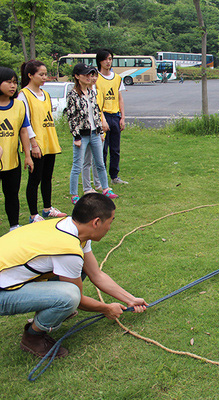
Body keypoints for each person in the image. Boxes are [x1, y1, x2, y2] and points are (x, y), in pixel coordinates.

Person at [0, 193, 148, 358]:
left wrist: (130, 299)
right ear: (96, 222)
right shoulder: (68, 248)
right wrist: (106, 308)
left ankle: (53, 311)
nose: (110, 227)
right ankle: (33, 337)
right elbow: (78, 299)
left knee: (80, 271)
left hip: (10, 279)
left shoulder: (72, 227)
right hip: (2, 293)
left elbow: (96, 274)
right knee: (69, 297)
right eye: (110, 222)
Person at [18, 60, 67, 223]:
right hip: (36, 143)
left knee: (47, 176)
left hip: (49, 140)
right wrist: (33, 144)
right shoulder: (23, 95)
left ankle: (47, 208)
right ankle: (33, 215)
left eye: (45, 74)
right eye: (41, 74)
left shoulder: (45, 94)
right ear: (30, 75)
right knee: (35, 179)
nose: (44, 77)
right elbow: (25, 122)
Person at [66, 63, 118, 205]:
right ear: (77, 76)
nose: (89, 77)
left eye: (91, 74)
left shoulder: (92, 92)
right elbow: (72, 118)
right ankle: (74, 194)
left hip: (95, 132)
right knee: (78, 164)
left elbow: (95, 113)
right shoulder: (72, 94)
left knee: (100, 162)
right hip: (82, 135)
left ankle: (106, 188)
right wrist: (76, 136)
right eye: (86, 74)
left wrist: (100, 131)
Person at [0, 67, 34, 232]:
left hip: (12, 161)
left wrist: (27, 156)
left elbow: (23, 131)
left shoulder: (19, 105)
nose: (13, 86)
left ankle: (14, 226)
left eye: (15, 82)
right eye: (8, 82)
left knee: (12, 194)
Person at [96, 49, 128, 185]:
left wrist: (123, 117)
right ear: (100, 61)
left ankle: (114, 176)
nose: (108, 62)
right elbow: (96, 101)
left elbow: (120, 98)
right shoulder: (95, 78)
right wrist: (101, 119)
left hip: (115, 116)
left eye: (110, 59)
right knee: (102, 149)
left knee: (115, 149)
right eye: (105, 59)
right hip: (103, 115)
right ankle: (101, 178)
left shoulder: (117, 78)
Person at [81, 70, 107, 195]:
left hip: (97, 130)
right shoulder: (82, 93)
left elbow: (98, 111)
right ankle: (87, 187)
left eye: (95, 75)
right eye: (91, 76)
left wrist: (101, 129)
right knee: (87, 161)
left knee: (99, 160)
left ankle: (100, 184)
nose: (93, 78)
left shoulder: (97, 91)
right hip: (86, 132)